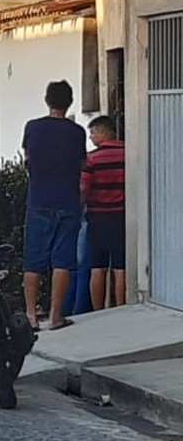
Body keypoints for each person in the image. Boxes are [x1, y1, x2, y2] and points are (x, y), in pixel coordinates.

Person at [21, 80, 88, 331]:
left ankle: (30, 315)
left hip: (39, 201)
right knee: (63, 260)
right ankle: (56, 315)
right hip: (67, 201)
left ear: (47, 100)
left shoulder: (33, 128)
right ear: (69, 102)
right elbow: (82, 163)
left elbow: (27, 160)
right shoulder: (77, 132)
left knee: (33, 260)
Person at [80, 115, 126, 311]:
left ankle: (99, 311)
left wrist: (79, 207)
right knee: (120, 267)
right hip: (122, 217)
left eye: (92, 133)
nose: (91, 138)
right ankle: (122, 307)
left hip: (98, 217)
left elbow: (83, 188)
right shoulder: (128, 153)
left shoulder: (91, 159)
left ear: (103, 132)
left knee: (97, 268)